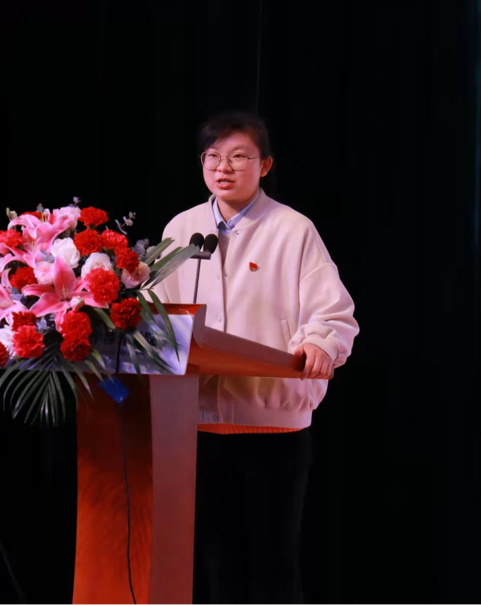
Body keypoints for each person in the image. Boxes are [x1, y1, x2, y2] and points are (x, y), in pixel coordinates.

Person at [153, 112, 359, 605]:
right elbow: (157, 311)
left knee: (272, 564)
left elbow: (333, 312)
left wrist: (320, 342)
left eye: (239, 157)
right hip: (195, 423)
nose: (223, 168)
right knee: (213, 564)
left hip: (271, 422)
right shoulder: (183, 227)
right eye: (213, 157)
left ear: (264, 165)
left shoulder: (293, 228)